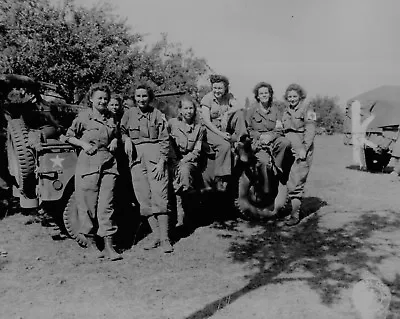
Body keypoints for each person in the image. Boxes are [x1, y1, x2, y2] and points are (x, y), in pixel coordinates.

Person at [64, 83, 122, 261]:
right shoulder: (83, 117)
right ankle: (91, 246)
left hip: (109, 165)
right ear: (91, 99)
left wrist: (116, 141)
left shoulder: (112, 118)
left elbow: (117, 134)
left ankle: (109, 247)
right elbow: (68, 136)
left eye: (105, 98)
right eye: (99, 98)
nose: (103, 101)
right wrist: (83, 144)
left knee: (107, 205)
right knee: (88, 205)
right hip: (88, 165)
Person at [121, 84, 173, 253]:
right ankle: (156, 236)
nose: (141, 99)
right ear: (134, 98)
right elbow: (121, 131)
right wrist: (127, 139)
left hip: (155, 156)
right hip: (136, 159)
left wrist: (162, 160)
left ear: (150, 98)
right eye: (138, 96)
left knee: (160, 195)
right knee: (143, 198)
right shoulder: (128, 114)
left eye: (144, 96)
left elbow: (165, 139)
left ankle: (165, 239)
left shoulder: (157, 114)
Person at [245, 82, 294, 215]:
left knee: (285, 142)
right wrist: (261, 136)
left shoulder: (276, 110)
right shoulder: (251, 111)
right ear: (257, 96)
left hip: (273, 141)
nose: (264, 95)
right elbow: (248, 129)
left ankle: (277, 167)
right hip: (259, 144)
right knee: (263, 162)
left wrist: (270, 137)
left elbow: (279, 130)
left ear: (270, 94)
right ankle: (266, 190)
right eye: (261, 93)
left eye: (266, 93)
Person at [200, 74, 247, 191]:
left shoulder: (228, 97)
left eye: (220, 88)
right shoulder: (207, 99)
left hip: (225, 126)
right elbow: (206, 122)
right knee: (224, 145)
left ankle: (242, 144)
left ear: (225, 88)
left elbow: (240, 106)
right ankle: (221, 177)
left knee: (240, 114)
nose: (217, 91)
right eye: (215, 88)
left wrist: (227, 113)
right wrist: (221, 135)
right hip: (211, 129)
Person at [281, 83, 316, 226]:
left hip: (301, 149)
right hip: (288, 148)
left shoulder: (308, 109)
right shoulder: (286, 110)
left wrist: (305, 148)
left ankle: (295, 215)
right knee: (289, 179)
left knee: (297, 181)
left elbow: (311, 129)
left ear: (300, 96)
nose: (292, 99)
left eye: (294, 96)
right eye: (289, 97)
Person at [168, 95, 205, 227]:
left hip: (188, 161)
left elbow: (197, 150)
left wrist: (184, 160)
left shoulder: (199, 128)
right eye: (186, 108)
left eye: (191, 108)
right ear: (180, 110)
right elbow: (165, 141)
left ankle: (182, 213)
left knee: (184, 174)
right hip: (172, 159)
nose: (189, 111)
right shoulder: (172, 124)